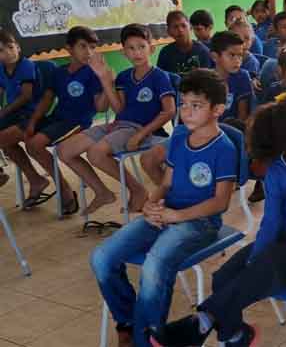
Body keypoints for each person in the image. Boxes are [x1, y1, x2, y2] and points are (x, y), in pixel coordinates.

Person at [149, 90, 286, 347]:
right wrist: (256, 256)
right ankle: (235, 335)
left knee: (268, 266)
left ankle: (202, 320)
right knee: (223, 276)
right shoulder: (277, 169)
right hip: (283, 240)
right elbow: (272, 220)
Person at [91, 69, 237, 347]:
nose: (186, 111)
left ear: (217, 109)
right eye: (184, 104)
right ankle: (128, 322)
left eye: (196, 105)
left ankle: (147, 338)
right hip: (166, 213)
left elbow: (221, 202)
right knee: (102, 258)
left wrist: (177, 216)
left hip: (200, 221)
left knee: (154, 266)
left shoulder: (224, 148)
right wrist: (151, 203)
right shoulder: (180, 136)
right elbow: (167, 182)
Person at [58, 24, 176, 216]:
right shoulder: (123, 77)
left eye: (141, 46)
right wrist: (105, 80)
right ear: (123, 52)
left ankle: (137, 190)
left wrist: (140, 135)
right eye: (131, 48)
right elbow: (119, 109)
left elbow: (169, 111)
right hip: (118, 126)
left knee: (96, 153)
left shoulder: (159, 76)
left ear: (151, 48)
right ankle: (102, 192)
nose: (136, 52)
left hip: (140, 129)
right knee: (64, 151)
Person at [23, 27, 107, 215]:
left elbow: (100, 107)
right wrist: (33, 121)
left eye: (93, 47)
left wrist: (106, 80)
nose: (89, 52)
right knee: (27, 140)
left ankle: (65, 191)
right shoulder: (59, 72)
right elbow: (47, 99)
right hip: (58, 118)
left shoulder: (92, 73)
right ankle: (43, 182)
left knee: (35, 144)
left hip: (77, 121)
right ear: (69, 48)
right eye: (83, 46)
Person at [0, 31, 46, 205]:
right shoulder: (1, 69)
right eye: (1, 51)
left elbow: (26, 96)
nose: (8, 53)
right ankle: (36, 180)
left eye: (10, 47)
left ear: (18, 47)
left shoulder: (26, 65)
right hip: (13, 115)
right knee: (9, 146)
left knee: (3, 140)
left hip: (31, 115)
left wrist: (3, 111)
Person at [209, 31, 253, 125]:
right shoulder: (205, 80)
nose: (237, 61)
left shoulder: (242, 77)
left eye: (240, 55)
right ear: (215, 56)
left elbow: (242, 116)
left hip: (233, 131)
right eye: (232, 55)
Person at [156, 10, 212, 76]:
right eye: (175, 27)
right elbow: (161, 79)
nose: (180, 30)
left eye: (183, 26)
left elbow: (208, 81)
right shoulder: (165, 53)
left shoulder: (203, 52)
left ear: (190, 27)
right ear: (169, 31)